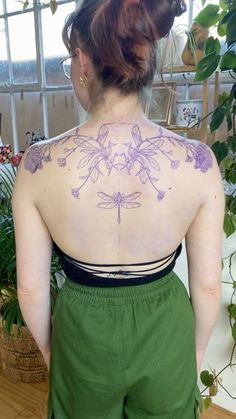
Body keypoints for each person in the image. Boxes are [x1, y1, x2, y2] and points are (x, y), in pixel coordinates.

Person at [12, 0, 225, 418]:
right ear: (149, 60)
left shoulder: (37, 165)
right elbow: (208, 288)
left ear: (83, 61)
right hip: (165, 325)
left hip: (83, 329)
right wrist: (194, 352)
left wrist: (54, 354)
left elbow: (31, 291)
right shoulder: (198, 162)